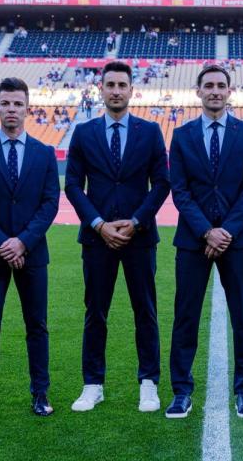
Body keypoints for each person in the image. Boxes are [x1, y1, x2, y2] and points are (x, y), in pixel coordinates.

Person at [65, 61, 170, 414]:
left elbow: (162, 184)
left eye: (121, 85)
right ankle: (93, 384)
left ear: (131, 90)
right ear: (101, 89)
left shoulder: (151, 132)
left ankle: (149, 383)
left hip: (139, 238)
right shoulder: (83, 132)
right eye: (109, 84)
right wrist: (98, 223)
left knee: (146, 311)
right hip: (97, 239)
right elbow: (72, 185)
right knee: (95, 312)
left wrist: (137, 221)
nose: (115, 90)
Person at [166, 65, 243, 419]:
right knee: (185, 316)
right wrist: (208, 230)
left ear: (230, 91)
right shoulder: (183, 135)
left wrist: (226, 232)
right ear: (198, 91)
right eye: (209, 86)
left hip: (237, 239)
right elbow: (180, 190)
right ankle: (181, 391)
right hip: (193, 240)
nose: (215, 91)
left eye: (221, 85)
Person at [0, 77, 60, 419]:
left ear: (28, 108)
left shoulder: (45, 153)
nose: (12, 110)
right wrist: (2, 242)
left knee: (37, 325)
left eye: (18, 104)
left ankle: (40, 393)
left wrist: (23, 241)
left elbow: (50, 203)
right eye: (6, 103)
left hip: (32, 252)